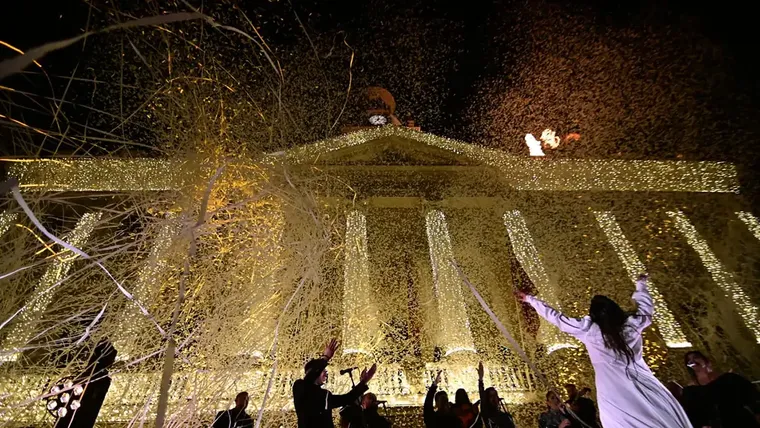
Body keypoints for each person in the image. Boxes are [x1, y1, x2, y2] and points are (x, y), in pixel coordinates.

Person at [516, 274, 692, 428]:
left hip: (613, 390)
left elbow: (557, 318)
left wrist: (531, 300)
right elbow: (646, 309)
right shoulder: (632, 326)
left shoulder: (590, 331)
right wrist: (641, 285)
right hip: (642, 380)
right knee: (658, 413)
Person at [293, 339, 377, 428]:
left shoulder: (325, 394)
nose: (326, 373)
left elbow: (347, 398)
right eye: (323, 370)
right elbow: (309, 379)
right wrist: (325, 358)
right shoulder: (300, 386)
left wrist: (363, 382)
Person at [681, 350, 760, 428]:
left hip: (742, 421)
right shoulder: (690, 391)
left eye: (695, 357)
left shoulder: (729, 378)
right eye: (689, 360)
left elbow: (751, 396)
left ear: (705, 360)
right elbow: (693, 413)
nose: (692, 361)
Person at [476, 362, 515, 428]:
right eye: (491, 396)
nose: (494, 398)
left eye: (495, 395)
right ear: (487, 399)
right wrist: (480, 379)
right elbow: (482, 396)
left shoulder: (505, 415)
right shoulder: (486, 413)